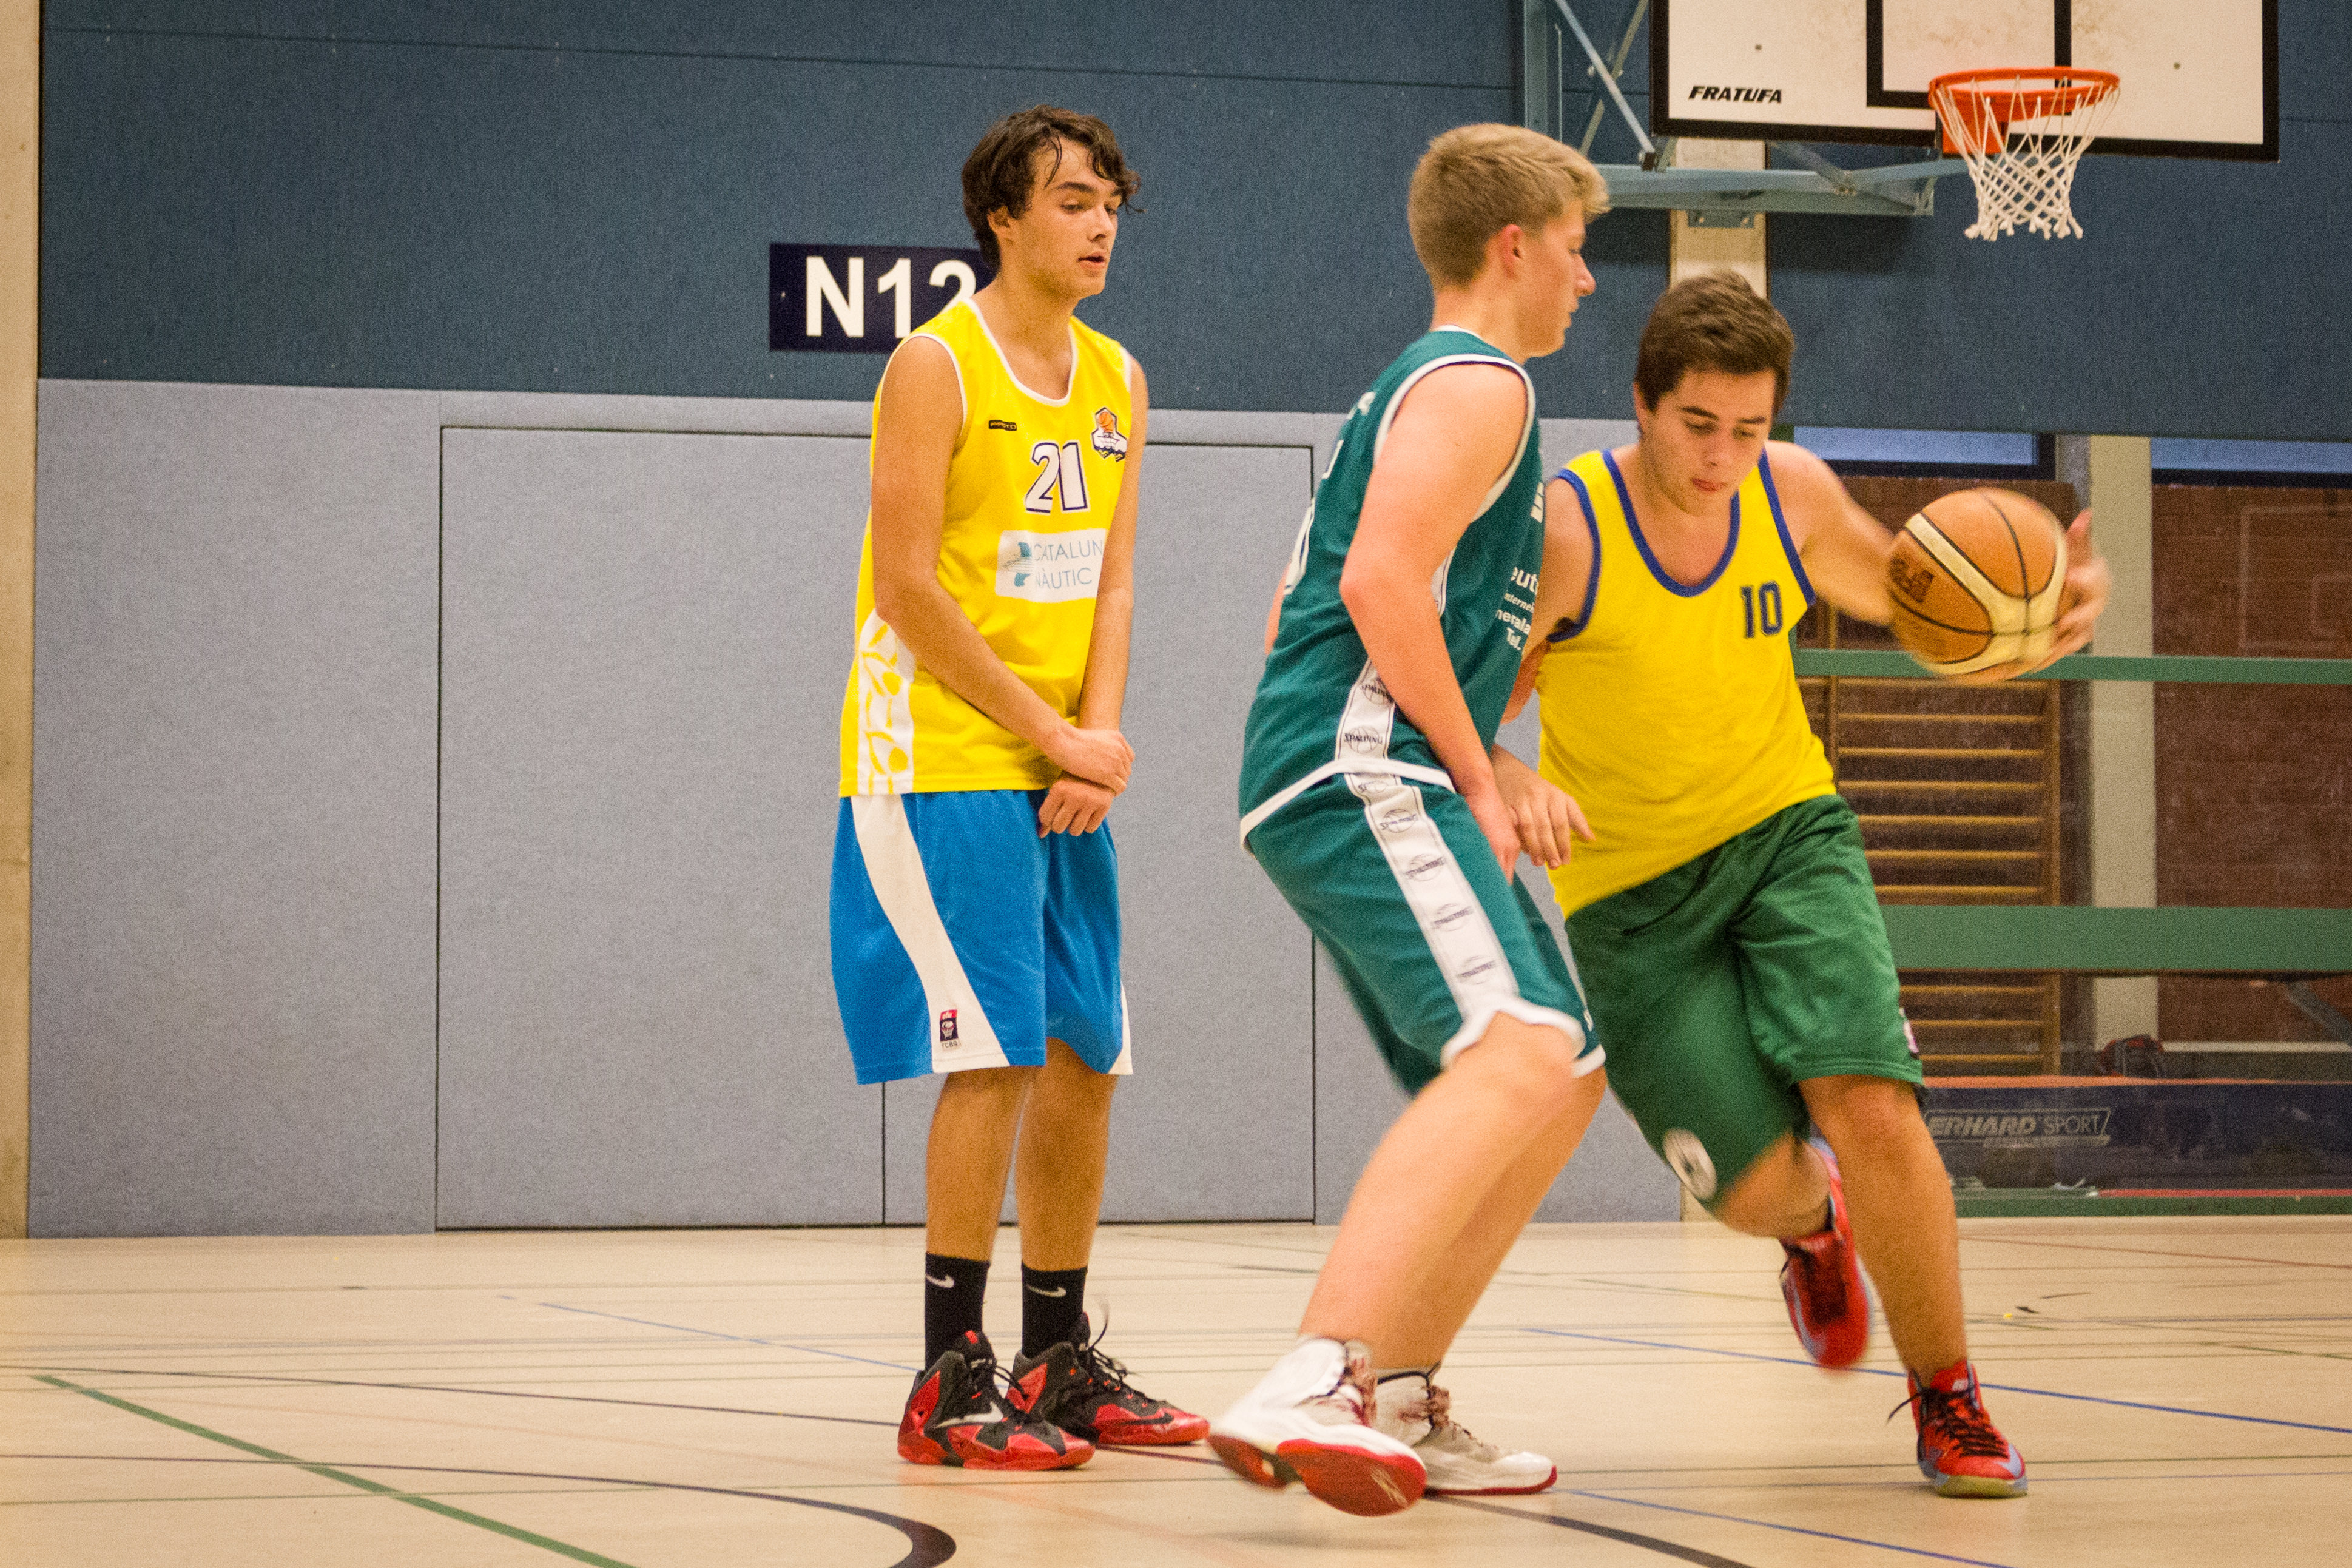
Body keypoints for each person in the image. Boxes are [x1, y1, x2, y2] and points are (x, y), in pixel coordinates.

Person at [1512, 271, 2111, 1499]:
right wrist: (1501, 776)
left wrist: (2032, 613)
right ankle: (1811, 1227)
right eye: (1697, 425)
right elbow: (1477, 697)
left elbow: (1920, 600)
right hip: (1630, 896)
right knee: (1752, 1190)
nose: (1721, 456)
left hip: (1786, 834)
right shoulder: (1567, 529)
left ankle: (1949, 1399)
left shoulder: (1788, 494)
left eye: (1747, 428)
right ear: (1640, 404)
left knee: (1874, 1105)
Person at [1207, 124, 1614, 1517]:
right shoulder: (1480, 382)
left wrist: (1479, 752)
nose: (1586, 279)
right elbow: (1377, 585)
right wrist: (1479, 776)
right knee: (1519, 1049)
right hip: (1359, 763)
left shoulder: (1422, 390)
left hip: (1359, 757)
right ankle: (1317, 1371)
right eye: (1575, 248)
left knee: (1563, 1070)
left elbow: (1299, 604)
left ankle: (1397, 1395)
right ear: (1514, 245)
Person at [829, 104, 1203, 1471]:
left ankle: (1055, 1357)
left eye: (1110, 203)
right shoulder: (935, 364)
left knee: (1085, 1054)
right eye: (1071, 201)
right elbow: (908, 588)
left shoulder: (1120, 377)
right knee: (989, 1052)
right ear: (1003, 215)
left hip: (1057, 755)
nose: (1099, 225)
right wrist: (1050, 728)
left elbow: (1113, 577)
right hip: (938, 752)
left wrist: (1095, 739)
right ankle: (948, 1376)